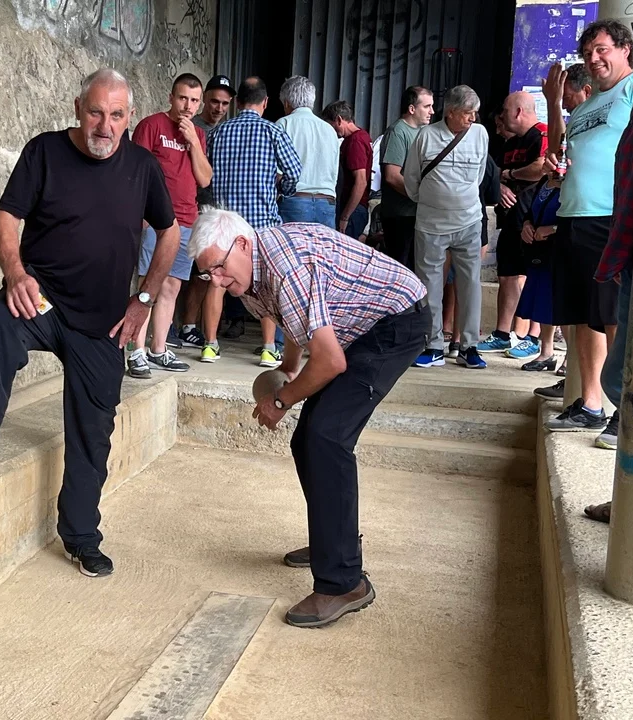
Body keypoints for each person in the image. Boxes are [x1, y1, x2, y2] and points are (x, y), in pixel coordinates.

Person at [0, 69, 180, 579]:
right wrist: (15, 273)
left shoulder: (142, 167)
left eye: (116, 115)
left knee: (93, 430)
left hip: (104, 321)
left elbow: (169, 232)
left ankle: (82, 536)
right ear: (77, 108)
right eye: (95, 112)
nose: (104, 126)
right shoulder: (44, 151)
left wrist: (144, 299)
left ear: (129, 117)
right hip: (41, 299)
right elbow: (5, 217)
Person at [189, 209, 428, 628]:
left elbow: (332, 361)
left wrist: (281, 401)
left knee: (326, 437)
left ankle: (343, 583)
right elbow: (296, 320)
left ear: (242, 244)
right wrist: (290, 366)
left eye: (220, 268)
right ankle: (333, 544)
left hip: (396, 323)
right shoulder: (250, 275)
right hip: (361, 328)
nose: (218, 282)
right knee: (308, 439)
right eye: (208, 274)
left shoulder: (286, 267)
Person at [540, 20, 633, 434]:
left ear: (624, 49)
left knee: (612, 315)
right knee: (581, 315)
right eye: (588, 53)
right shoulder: (585, 106)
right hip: (572, 214)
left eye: (602, 49)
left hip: (609, 216)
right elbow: (561, 149)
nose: (594, 58)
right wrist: (556, 160)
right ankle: (590, 404)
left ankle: (623, 408)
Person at [584, 0, 633, 524]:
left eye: (601, 49)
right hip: (626, 239)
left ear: (625, 51)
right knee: (623, 376)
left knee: (631, 379)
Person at [204, 76, 302, 367]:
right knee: (267, 283)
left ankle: (210, 345)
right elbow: (294, 171)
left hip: (224, 222)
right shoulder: (273, 131)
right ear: (265, 102)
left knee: (217, 282)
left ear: (237, 102)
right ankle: (269, 348)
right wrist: (282, 190)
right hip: (262, 224)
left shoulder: (218, 133)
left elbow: (205, 173)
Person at [126, 73, 212, 378]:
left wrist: (193, 142)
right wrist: (141, 214)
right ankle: (136, 351)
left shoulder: (197, 135)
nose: (188, 106)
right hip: (156, 220)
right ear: (171, 98)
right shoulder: (151, 125)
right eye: (183, 98)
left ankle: (158, 349)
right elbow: (134, 171)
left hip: (186, 219)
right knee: (147, 285)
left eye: (194, 100)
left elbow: (204, 179)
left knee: (172, 286)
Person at [404, 85, 489, 370]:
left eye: (475, 113)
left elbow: (478, 177)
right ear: (450, 112)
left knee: (470, 284)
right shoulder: (425, 136)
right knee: (429, 285)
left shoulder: (480, 134)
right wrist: (432, 200)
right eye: (467, 113)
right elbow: (411, 178)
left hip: (469, 221)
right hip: (431, 223)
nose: (473, 118)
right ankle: (432, 345)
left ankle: (469, 346)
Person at [533, 63, 594, 401]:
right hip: (570, 217)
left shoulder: (598, 117)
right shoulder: (577, 120)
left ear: (587, 91)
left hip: (591, 221)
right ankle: (571, 380)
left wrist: (554, 104)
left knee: (588, 315)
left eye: (567, 96)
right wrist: (554, 103)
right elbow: (555, 152)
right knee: (569, 311)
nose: (565, 102)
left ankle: (586, 391)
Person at [478, 91, 548, 357]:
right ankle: (502, 334)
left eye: (506, 110)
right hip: (509, 218)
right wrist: (502, 185)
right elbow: (494, 175)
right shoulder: (510, 142)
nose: (502, 116)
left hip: (533, 219)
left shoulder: (541, 134)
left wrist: (509, 174)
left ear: (518, 111)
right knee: (506, 275)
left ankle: (533, 337)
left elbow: (541, 168)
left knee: (534, 276)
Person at [179, 74, 236, 351]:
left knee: (207, 273)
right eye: (214, 101)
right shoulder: (193, 126)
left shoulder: (228, 130)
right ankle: (186, 326)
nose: (219, 108)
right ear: (204, 100)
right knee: (187, 273)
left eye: (225, 103)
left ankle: (198, 330)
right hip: (193, 206)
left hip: (217, 210)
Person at [378, 86, 435, 269]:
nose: (432, 112)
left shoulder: (425, 132)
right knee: (401, 269)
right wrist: (420, 196)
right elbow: (392, 176)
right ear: (412, 109)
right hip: (400, 216)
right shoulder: (398, 132)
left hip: (419, 215)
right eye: (426, 106)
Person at [275, 76, 339, 227]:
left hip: (295, 202)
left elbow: (277, 173)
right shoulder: (329, 130)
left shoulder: (283, 124)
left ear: (286, 103)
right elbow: (334, 172)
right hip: (327, 204)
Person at [515, 175, 562, 373]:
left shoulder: (573, 181)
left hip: (561, 249)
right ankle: (546, 352)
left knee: (561, 303)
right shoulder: (545, 180)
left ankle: (571, 359)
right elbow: (532, 211)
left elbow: (576, 219)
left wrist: (552, 229)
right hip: (539, 251)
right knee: (543, 301)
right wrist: (527, 225)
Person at [321, 101, 373, 240]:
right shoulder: (361, 136)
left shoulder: (355, 141)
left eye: (330, 125)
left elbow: (361, 181)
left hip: (353, 210)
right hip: (356, 209)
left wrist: (345, 216)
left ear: (339, 120)